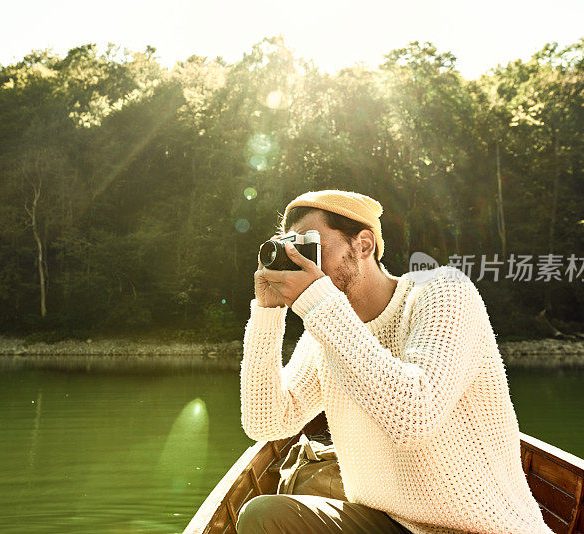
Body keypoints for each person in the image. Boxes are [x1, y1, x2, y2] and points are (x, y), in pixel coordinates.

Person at [237, 190, 554, 533]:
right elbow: (266, 423)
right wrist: (267, 315)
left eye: (312, 246)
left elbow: (414, 417)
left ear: (364, 244)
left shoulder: (442, 291)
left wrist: (320, 302)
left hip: (483, 529)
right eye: (292, 250)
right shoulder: (323, 331)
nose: (302, 262)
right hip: (390, 523)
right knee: (262, 515)